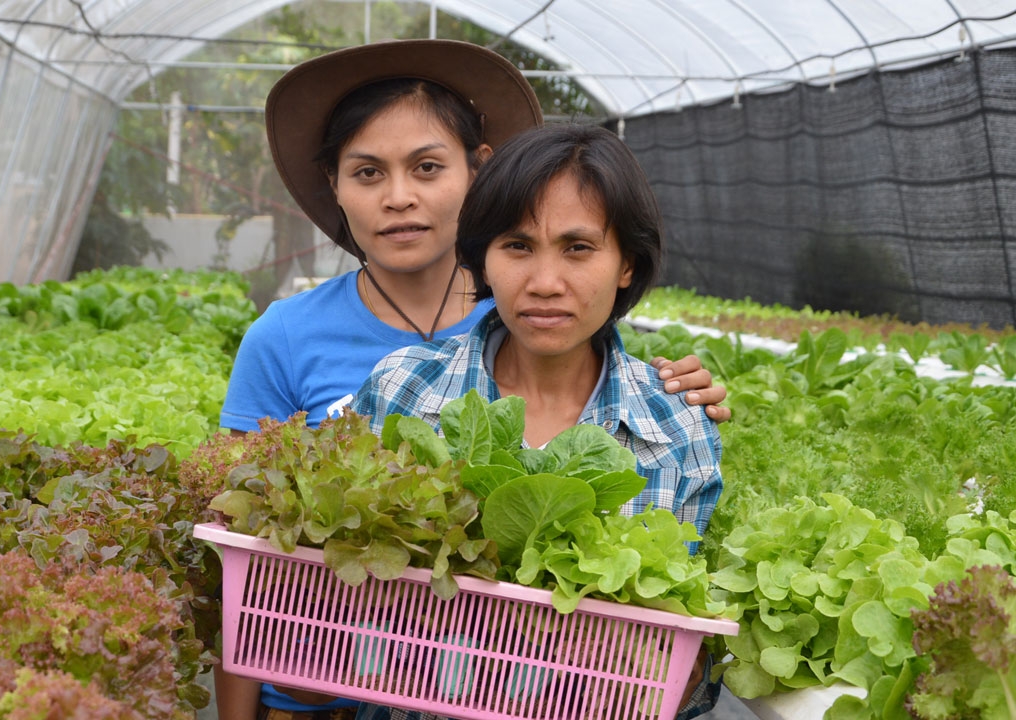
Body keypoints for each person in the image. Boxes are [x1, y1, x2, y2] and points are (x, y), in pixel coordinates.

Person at [217, 40, 727, 720]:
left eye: (427, 166)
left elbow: (670, 654)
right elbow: (264, 564)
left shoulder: (660, 414)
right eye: (367, 172)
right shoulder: (388, 382)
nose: (546, 282)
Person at [351, 123, 723, 720]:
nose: (545, 283)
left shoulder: (677, 429)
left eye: (579, 248)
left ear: (627, 264)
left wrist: (670, 674)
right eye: (518, 247)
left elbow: (682, 645)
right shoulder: (404, 390)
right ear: (483, 260)